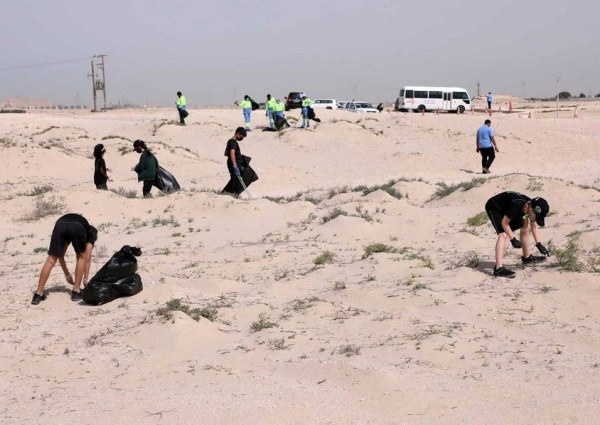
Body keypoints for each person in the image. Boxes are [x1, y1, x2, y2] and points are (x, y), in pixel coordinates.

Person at [31, 214, 98, 304]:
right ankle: (76, 291)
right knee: (80, 257)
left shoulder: (80, 224)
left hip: (60, 224)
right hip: (76, 227)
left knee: (51, 259)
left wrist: (67, 274)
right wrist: (85, 279)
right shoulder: (90, 233)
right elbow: (87, 256)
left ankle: (38, 294)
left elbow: (60, 255)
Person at [485, 192, 550, 278]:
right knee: (503, 234)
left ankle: (527, 257)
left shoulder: (530, 205)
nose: (536, 219)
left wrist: (539, 244)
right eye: (536, 217)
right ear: (531, 210)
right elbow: (504, 223)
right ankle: (498, 268)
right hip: (495, 207)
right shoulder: (518, 205)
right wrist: (513, 239)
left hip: (508, 208)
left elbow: (534, 226)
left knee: (525, 227)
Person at [222, 127, 247, 195]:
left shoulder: (230, 141)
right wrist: (235, 165)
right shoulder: (233, 142)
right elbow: (232, 153)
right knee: (236, 180)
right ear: (238, 134)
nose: (242, 138)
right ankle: (232, 193)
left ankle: (227, 193)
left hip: (230, 162)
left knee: (234, 179)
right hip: (234, 163)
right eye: (242, 136)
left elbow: (225, 153)